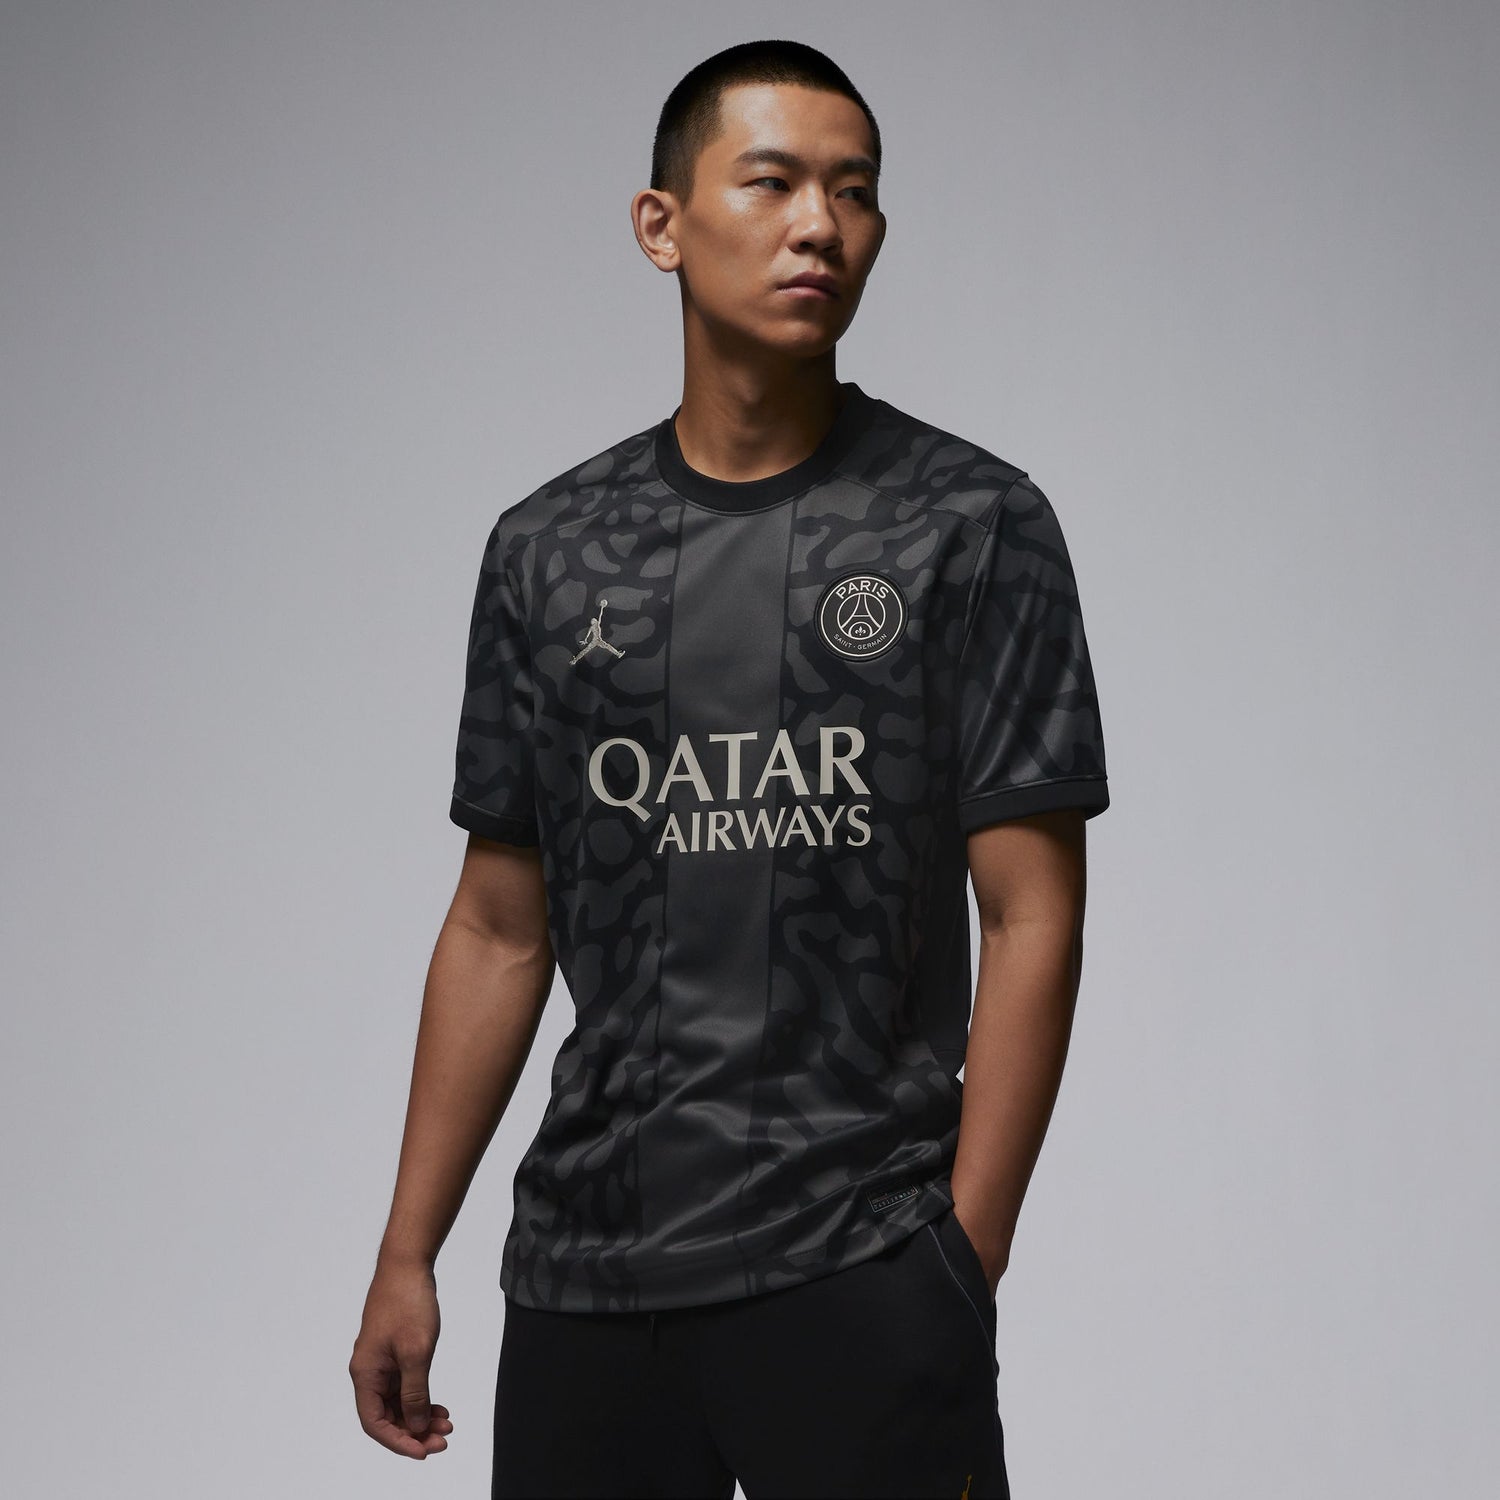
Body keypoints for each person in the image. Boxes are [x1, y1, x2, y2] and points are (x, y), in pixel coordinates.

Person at [349, 38, 1110, 1500]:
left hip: (863, 1261)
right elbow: (499, 925)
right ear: (663, 224)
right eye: (771, 182)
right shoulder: (548, 552)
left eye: (855, 191)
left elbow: (1032, 913)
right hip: (586, 1282)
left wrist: (964, 1259)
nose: (821, 223)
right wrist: (406, 1249)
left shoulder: (972, 526)